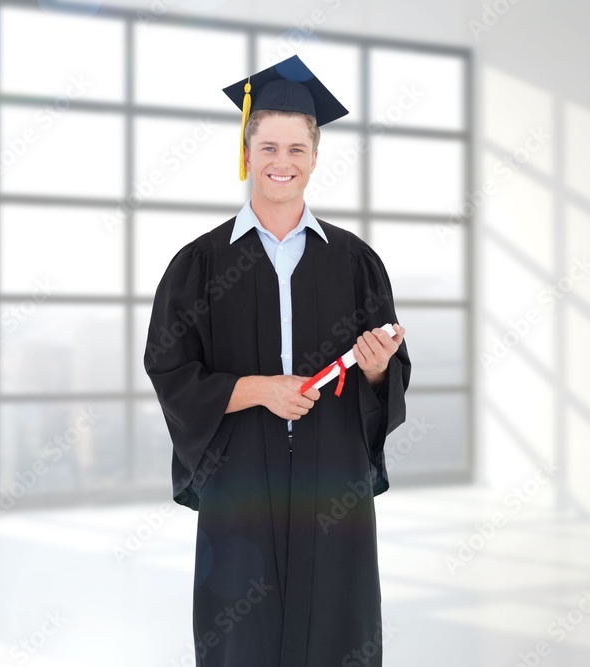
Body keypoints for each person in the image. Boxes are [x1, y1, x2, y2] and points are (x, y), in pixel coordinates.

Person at [143, 55, 411, 666]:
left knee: (338, 622)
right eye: (267, 146)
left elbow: (389, 372)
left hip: (331, 476)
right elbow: (170, 369)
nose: (282, 162)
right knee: (241, 627)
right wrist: (258, 389)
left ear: (316, 156)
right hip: (239, 472)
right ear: (246, 150)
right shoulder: (201, 263)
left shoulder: (355, 261)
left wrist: (374, 365)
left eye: (297, 148)